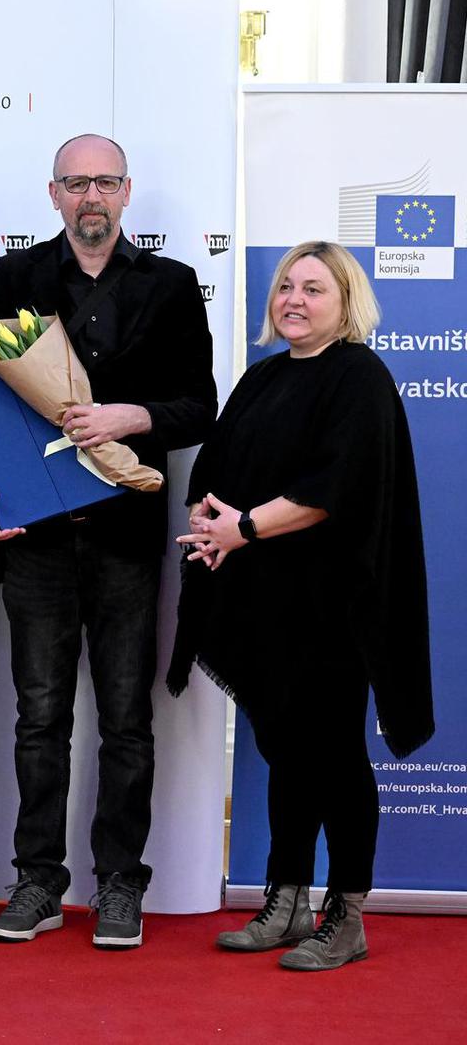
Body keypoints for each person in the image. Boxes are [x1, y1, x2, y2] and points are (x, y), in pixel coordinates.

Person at [0, 133, 217, 948]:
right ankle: (37, 882)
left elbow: (199, 407)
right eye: (76, 183)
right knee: (38, 718)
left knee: (124, 721)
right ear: (54, 194)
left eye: (105, 181)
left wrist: (128, 416)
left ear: (128, 191)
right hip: (37, 531)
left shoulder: (172, 287)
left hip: (126, 538)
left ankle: (118, 887)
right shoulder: (16, 278)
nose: (91, 196)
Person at [169, 241, 432, 971]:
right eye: (286, 285)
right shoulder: (261, 379)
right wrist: (209, 522)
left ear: (345, 302)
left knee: (336, 758)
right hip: (264, 604)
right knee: (284, 752)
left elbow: (334, 487)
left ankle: (345, 916)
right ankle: (284, 902)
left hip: (332, 607)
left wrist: (244, 527)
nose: (294, 299)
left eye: (313, 288)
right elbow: (217, 467)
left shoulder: (359, 377)